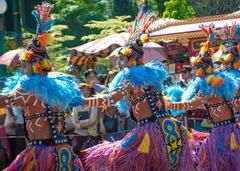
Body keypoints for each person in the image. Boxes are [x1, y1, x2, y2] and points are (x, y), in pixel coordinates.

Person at [81, 7, 194, 171]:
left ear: (130, 60)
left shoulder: (129, 78)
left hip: (150, 132)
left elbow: (111, 99)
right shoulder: (151, 74)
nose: (119, 63)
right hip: (171, 127)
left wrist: (83, 100)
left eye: (122, 59)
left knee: (117, 160)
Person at [2, 3, 84, 170]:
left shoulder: (27, 88)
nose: (21, 70)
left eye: (24, 66)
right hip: (62, 152)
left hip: (41, 153)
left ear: (36, 66)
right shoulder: (59, 85)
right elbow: (81, 101)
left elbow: (5, 101)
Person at [165, 23, 240, 170]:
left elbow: (191, 104)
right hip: (220, 132)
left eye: (198, 68)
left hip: (229, 132)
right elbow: (192, 103)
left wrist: (171, 105)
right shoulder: (211, 85)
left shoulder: (218, 84)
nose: (196, 72)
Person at [71, 83, 101, 154]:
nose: (85, 92)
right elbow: (74, 121)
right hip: (78, 135)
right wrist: (85, 123)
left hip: (91, 135)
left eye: (87, 90)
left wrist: (79, 124)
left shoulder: (93, 103)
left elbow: (92, 121)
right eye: (83, 90)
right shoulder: (76, 105)